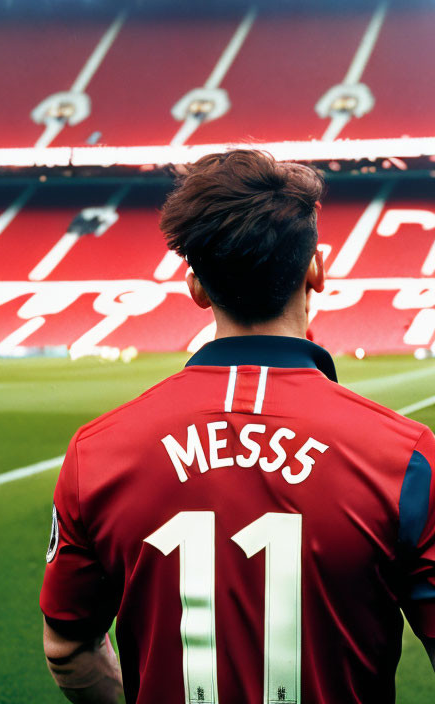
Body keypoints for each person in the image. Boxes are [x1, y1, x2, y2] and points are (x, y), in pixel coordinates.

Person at [39, 149, 435, 704]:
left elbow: (68, 647)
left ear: (197, 287)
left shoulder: (97, 453)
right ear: (316, 270)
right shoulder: (406, 457)